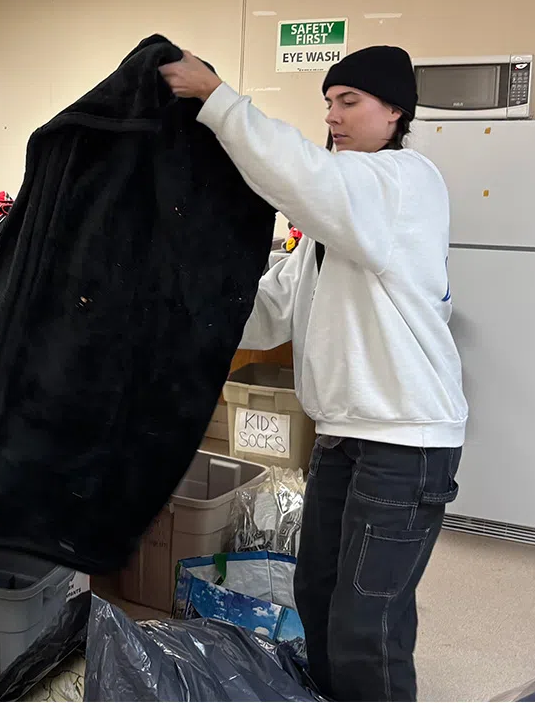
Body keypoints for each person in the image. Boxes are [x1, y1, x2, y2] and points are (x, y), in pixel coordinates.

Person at [160, 45, 468, 702]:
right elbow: (271, 311)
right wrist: (175, 316)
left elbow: (305, 179)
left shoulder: (405, 182)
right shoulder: (339, 223)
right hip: (342, 435)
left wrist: (217, 99)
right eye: (329, 102)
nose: (333, 115)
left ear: (396, 111)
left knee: (367, 623)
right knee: (319, 595)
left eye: (349, 101)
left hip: (405, 442)